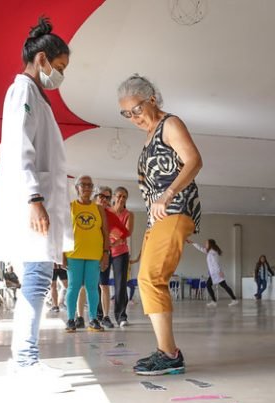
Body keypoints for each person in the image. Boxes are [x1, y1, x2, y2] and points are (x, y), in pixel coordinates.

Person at [0, 17, 73, 379]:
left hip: (38, 198)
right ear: (42, 59)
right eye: (59, 67)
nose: (60, 75)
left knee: (38, 276)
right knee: (35, 279)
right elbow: (19, 146)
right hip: (31, 200)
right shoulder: (23, 91)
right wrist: (34, 197)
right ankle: (26, 360)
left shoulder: (37, 96)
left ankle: (25, 356)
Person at [118, 74, 202, 375]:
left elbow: (193, 160)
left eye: (137, 109)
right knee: (147, 279)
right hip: (161, 215)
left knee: (151, 278)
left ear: (152, 99)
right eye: (126, 113)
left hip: (176, 208)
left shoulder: (171, 124)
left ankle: (169, 354)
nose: (133, 117)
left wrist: (167, 194)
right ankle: (166, 351)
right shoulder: (150, 134)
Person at [65, 176, 110, 333]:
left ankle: (93, 319)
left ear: (92, 189)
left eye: (89, 185)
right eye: (83, 185)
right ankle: (71, 319)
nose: (86, 188)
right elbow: (64, 232)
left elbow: (105, 232)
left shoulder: (99, 209)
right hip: (73, 253)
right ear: (77, 188)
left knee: (92, 287)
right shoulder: (70, 207)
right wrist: (62, 254)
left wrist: (106, 254)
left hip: (94, 255)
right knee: (73, 287)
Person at [92, 186, 130, 328]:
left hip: (114, 252)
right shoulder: (93, 210)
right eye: (101, 196)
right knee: (94, 285)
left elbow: (125, 232)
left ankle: (117, 316)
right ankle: (95, 316)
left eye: (107, 197)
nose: (104, 199)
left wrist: (114, 239)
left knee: (113, 285)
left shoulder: (118, 214)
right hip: (96, 253)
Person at [110, 186, 135, 326]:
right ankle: (100, 316)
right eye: (119, 195)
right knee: (101, 284)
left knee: (120, 284)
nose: (121, 199)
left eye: (124, 197)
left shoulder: (129, 214)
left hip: (121, 253)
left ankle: (121, 316)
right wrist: (117, 234)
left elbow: (127, 233)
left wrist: (113, 239)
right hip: (105, 252)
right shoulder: (106, 212)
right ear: (114, 196)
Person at [190, 239, 238, 306]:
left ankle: (232, 299)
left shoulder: (213, 253)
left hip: (216, 273)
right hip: (214, 273)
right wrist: (193, 243)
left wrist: (219, 272)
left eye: (206, 243)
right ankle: (216, 301)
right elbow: (201, 248)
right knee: (212, 285)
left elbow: (216, 263)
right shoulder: (210, 251)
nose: (205, 245)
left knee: (222, 286)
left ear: (210, 244)